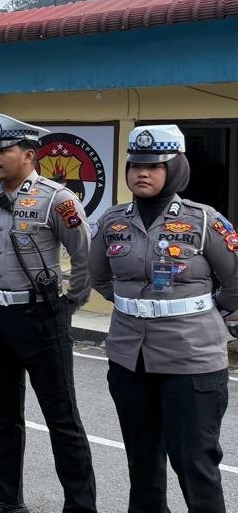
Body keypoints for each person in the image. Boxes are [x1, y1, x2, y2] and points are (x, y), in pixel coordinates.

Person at [90, 124, 237, 513]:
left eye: (155, 166)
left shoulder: (204, 221)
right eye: (136, 165)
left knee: (194, 464)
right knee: (142, 464)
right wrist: (138, 304)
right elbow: (99, 277)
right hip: (129, 358)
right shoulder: (112, 221)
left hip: (191, 359)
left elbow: (236, 280)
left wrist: (209, 312)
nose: (143, 173)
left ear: (175, 169)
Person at [0, 113, 95, 513]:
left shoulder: (58, 199)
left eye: (4, 150)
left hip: (40, 317)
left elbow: (85, 257)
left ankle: (80, 506)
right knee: (3, 413)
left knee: (62, 418)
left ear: (28, 155)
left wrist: (68, 305)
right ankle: (5, 497)